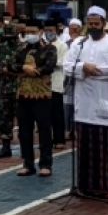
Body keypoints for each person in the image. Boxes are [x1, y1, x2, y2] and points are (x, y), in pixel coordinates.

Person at [63, 6, 108, 198]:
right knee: (86, 151)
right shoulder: (80, 44)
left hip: (105, 105)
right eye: (89, 24)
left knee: (104, 151)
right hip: (83, 107)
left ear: (104, 24)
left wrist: (91, 72)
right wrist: (84, 67)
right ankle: (85, 187)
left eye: (96, 23)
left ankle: (106, 188)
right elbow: (68, 66)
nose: (93, 27)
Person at [15, 19, 58, 177]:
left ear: (41, 32)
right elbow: (10, 65)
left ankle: (46, 164)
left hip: (42, 96)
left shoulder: (49, 48)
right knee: (24, 132)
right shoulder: (21, 48)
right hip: (23, 95)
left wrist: (34, 71)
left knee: (44, 130)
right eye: (27, 32)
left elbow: (49, 66)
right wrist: (23, 68)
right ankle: (28, 163)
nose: (30, 35)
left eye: (33, 31)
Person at [0, 23, 23, 159]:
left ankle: (25, 147)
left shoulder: (24, 48)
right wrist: (2, 70)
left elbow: (26, 67)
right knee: (4, 118)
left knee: (23, 119)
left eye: (12, 36)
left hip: (21, 88)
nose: (10, 39)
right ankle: (5, 147)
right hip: (5, 89)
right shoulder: (1, 48)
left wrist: (12, 70)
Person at [44, 19, 69, 149]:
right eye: (47, 30)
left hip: (57, 83)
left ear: (56, 31)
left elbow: (63, 62)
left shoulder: (62, 45)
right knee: (45, 114)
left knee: (57, 113)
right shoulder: (42, 45)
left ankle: (59, 139)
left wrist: (49, 64)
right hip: (43, 84)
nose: (49, 33)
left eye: (51, 30)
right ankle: (48, 139)